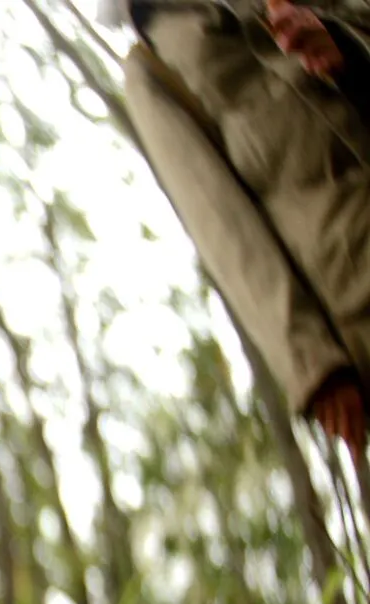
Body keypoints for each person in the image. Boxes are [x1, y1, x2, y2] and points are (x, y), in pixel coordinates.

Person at [119, 0, 370, 449]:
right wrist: (312, 363)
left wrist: (343, 46)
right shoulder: (152, 69)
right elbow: (223, 227)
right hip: (355, 289)